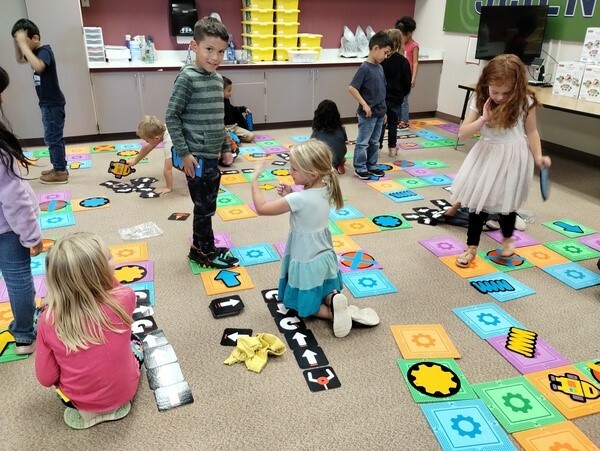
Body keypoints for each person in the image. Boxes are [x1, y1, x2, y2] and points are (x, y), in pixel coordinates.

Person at [250, 140, 380, 338]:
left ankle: (331, 313)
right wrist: (290, 193)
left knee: (306, 304)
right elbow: (307, 204)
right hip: (323, 251)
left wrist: (254, 179)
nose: (290, 172)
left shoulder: (299, 199)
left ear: (312, 174)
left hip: (305, 254)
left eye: (294, 169)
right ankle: (332, 298)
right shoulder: (326, 187)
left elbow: (262, 208)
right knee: (321, 284)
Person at [450, 54, 551, 268]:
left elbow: (532, 132)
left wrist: (538, 156)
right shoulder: (478, 98)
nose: (500, 97)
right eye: (494, 91)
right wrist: (483, 119)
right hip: (486, 154)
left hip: (514, 156)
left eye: (506, 93)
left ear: (517, 86)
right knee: (478, 202)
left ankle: (507, 240)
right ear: (486, 83)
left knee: (508, 200)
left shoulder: (525, 101)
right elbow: (463, 133)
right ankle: (471, 247)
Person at [35, 233, 142, 429]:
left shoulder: (48, 320)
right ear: (100, 273)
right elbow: (113, 287)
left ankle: (89, 408)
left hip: (78, 401)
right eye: (109, 258)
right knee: (135, 341)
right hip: (125, 391)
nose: (115, 261)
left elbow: (46, 377)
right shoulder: (124, 298)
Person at [166, 17, 239, 269]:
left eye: (221, 51)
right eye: (209, 49)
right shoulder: (187, 79)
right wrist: (184, 153)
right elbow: (171, 116)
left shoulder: (217, 80)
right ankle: (203, 252)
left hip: (211, 154)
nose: (215, 57)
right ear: (194, 46)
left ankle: (202, 245)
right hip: (195, 156)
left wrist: (224, 147)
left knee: (209, 203)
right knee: (203, 207)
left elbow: (217, 119)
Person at [0, 65, 43, 355]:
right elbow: (14, 199)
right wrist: (32, 236)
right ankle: (25, 335)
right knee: (17, 278)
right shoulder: (2, 151)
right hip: (7, 230)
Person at [12, 18, 68, 184]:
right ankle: (59, 166)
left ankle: (60, 171)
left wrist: (23, 44)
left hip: (52, 104)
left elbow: (39, 67)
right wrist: (18, 43)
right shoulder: (35, 52)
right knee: (53, 137)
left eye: (25, 41)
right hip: (48, 103)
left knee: (52, 139)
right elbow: (20, 59)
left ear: (35, 38)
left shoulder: (44, 50)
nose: (23, 46)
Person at [348, 31, 393, 180]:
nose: (386, 57)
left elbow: (381, 91)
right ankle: (360, 167)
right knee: (363, 142)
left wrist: (384, 110)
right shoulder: (365, 68)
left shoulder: (380, 68)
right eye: (385, 53)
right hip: (367, 114)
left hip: (380, 112)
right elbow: (352, 88)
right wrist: (364, 105)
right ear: (375, 49)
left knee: (375, 141)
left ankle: (371, 165)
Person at [379, 28, 412, 157]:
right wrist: (402, 94)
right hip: (396, 97)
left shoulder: (382, 60)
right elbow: (407, 83)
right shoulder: (403, 62)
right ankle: (392, 149)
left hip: (382, 97)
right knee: (393, 124)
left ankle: (377, 149)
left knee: (380, 124)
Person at [130, 115, 176, 195]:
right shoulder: (162, 129)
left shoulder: (169, 142)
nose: (147, 143)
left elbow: (168, 169)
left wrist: (168, 187)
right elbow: (147, 147)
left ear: (157, 138)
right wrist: (134, 161)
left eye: (147, 141)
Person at [310, 99, 348, 174]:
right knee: (342, 149)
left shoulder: (316, 132)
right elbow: (343, 146)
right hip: (336, 159)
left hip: (322, 161)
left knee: (313, 149)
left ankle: (327, 167)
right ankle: (339, 163)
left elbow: (311, 146)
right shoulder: (341, 130)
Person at [395, 16, 419, 130]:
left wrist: (413, 78)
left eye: (403, 35)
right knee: (397, 99)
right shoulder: (399, 44)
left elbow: (415, 63)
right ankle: (397, 119)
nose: (402, 37)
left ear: (409, 33)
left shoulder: (414, 46)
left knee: (404, 100)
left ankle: (404, 122)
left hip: (407, 77)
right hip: (398, 76)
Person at [223, 76, 254, 143]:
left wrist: (244, 109)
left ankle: (235, 139)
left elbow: (233, 109)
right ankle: (232, 139)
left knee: (251, 136)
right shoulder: (217, 104)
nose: (230, 93)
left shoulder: (227, 100)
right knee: (227, 141)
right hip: (224, 129)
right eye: (228, 91)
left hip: (233, 127)